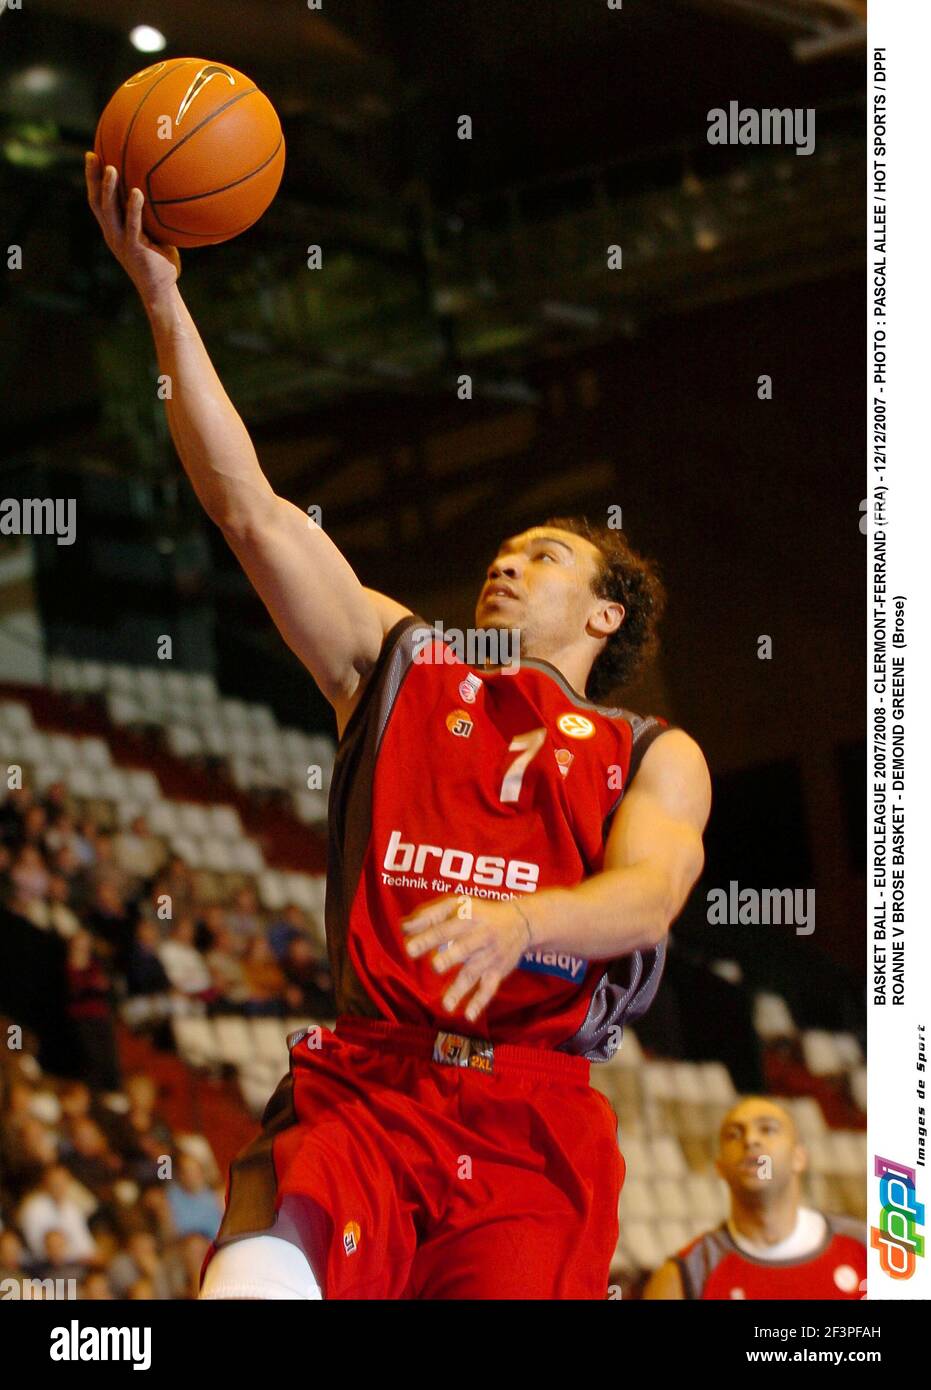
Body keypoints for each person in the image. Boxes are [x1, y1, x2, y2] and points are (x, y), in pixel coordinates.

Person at [86, 153, 711, 1301]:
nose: (506, 561)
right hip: (363, 1090)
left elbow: (649, 895)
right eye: (503, 548)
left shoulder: (647, 753)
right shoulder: (401, 662)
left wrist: (522, 921)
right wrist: (165, 303)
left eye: (546, 556)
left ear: (605, 612)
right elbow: (250, 508)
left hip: (532, 1117)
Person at [642, 1097, 867, 1300]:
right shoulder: (684, 1277)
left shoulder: (872, 1249)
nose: (750, 1140)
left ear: (799, 1157)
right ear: (720, 1168)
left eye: (768, 1130)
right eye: (734, 1134)